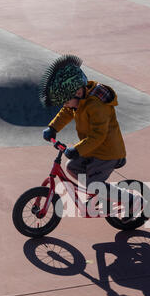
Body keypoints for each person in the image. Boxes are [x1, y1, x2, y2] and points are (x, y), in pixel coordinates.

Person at [40, 54, 141, 218]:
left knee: (94, 185)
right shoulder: (77, 101)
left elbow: (98, 136)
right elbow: (67, 111)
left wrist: (77, 149)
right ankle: (97, 195)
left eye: (65, 101)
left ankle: (132, 200)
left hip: (107, 153)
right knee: (72, 167)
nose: (64, 105)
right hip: (93, 149)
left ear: (79, 92)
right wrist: (53, 127)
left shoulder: (96, 106)